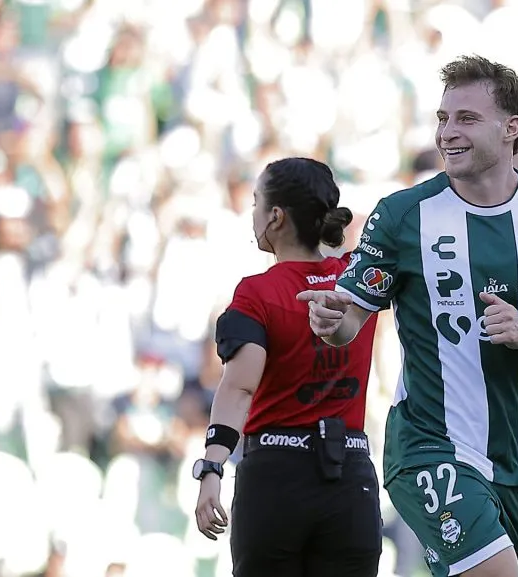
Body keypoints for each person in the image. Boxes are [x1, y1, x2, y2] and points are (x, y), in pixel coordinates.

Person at [298, 55, 518, 577]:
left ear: (512, 129)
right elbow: (351, 318)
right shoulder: (402, 215)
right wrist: (333, 322)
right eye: (443, 118)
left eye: (466, 118)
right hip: (428, 443)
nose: (448, 132)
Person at [192, 157, 383, 577]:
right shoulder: (356, 278)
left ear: (275, 217)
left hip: (276, 480)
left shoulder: (257, 294)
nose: (253, 212)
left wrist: (211, 467)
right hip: (351, 477)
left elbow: (238, 389)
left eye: (258, 202)